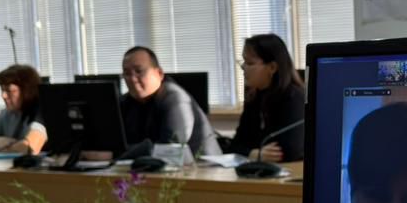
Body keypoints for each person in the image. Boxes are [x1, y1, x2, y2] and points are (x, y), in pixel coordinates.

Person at [119, 46, 220, 157]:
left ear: (159, 73)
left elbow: (170, 149)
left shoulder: (175, 98)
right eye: (127, 73)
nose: (132, 79)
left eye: (139, 71)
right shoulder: (124, 102)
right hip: (145, 166)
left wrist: (118, 153)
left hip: (202, 165)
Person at [231, 33, 305, 163]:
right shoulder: (253, 96)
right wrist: (253, 153)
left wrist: (251, 150)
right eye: (243, 61)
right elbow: (235, 144)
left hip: (291, 171)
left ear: (272, 67)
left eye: (249, 63)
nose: (243, 67)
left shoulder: (294, 97)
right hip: (260, 169)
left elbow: (290, 151)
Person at [0, 64, 47, 154]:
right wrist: (3, 141)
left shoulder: (40, 114)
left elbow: (29, 148)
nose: (3, 96)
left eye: (9, 91)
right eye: (2, 90)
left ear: (27, 90)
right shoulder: (8, 113)